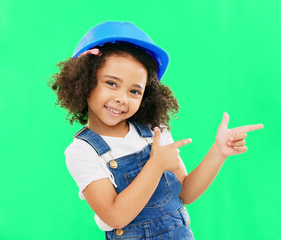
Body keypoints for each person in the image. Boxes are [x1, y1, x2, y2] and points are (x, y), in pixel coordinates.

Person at [50, 21, 263, 239]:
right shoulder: (82, 151)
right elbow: (115, 216)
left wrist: (219, 151)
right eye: (111, 83)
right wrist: (156, 164)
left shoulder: (155, 132)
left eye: (134, 91)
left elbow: (185, 193)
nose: (121, 98)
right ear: (84, 81)